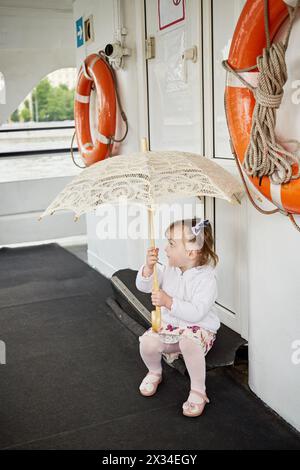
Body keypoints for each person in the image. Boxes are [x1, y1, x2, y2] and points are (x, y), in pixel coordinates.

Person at [135, 217, 220, 417]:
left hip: (198, 330)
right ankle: (154, 371)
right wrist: (148, 269)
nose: (165, 248)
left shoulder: (207, 279)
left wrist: (168, 302)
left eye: (171, 244)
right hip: (170, 328)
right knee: (147, 343)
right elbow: (143, 286)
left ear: (191, 252)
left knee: (189, 344)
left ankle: (198, 389)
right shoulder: (168, 270)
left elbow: (197, 312)